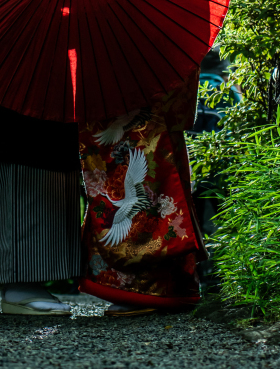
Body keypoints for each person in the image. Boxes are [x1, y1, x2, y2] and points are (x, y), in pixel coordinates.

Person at [0, 80, 81, 315]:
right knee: (17, 151)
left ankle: (24, 281)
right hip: (11, 71)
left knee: (49, 162)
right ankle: (19, 281)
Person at [78, 72, 206, 315]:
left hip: (141, 90)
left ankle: (146, 289)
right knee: (145, 182)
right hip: (127, 86)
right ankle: (158, 287)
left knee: (159, 181)